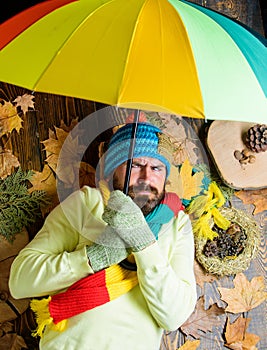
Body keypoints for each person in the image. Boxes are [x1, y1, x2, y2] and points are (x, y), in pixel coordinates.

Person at [9, 122, 197, 350]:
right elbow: (20, 282)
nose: (146, 177)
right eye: (136, 164)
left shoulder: (177, 224)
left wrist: (144, 244)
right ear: (113, 169)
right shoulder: (86, 203)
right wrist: (92, 258)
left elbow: (174, 317)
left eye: (157, 168)